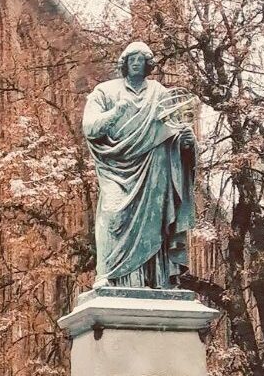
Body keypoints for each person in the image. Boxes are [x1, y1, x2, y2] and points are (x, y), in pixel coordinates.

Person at [82, 41, 197, 288]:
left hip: (154, 166)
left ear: (148, 64)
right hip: (116, 166)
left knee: (155, 223)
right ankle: (108, 274)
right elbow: (89, 127)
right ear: (124, 63)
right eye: (131, 59)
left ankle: (155, 279)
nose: (136, 63)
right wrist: (115, 113)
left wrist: (186, 143)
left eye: (141, 59)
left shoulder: (159, 93)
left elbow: (173, 132)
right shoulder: (105, 91)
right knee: (112, 215)